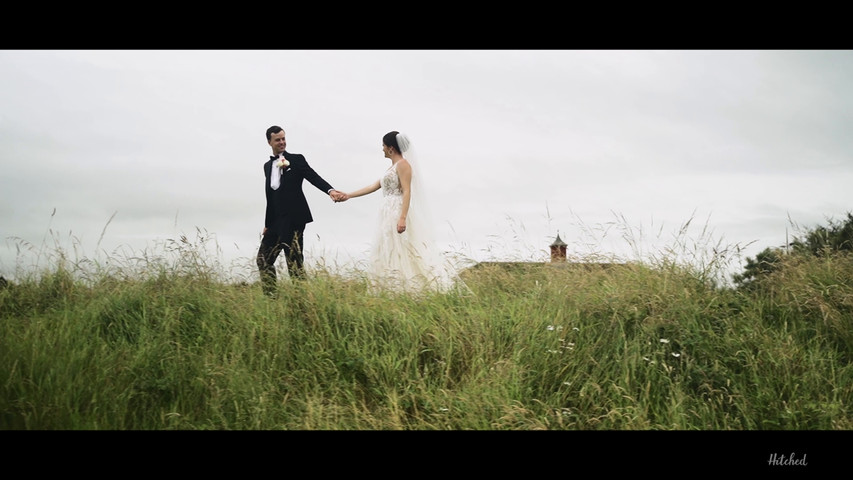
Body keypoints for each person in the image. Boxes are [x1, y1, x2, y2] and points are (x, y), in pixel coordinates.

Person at [340, 131, 463, 294]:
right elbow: (373, 186)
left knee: (401, 248)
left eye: (383, 145)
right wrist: (348, 195)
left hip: (397, 210)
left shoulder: (404, 165)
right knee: (387, 247)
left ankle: (408, 288)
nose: (382, 149)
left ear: (391, 148)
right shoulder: (391, 167)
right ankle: (390, 287)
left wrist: (402, 218)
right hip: (387, 211)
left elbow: (407, 191)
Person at [257, 125, 345, 296]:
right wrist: (267, 224)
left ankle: (303, 303)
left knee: (294, 264)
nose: (282, 142)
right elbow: (271, 197)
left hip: (294, 219)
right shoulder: (267, 166)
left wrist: (330, 191)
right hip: (275, 221)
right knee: (263, 260)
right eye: (277, 140)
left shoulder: (296, 159)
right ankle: (272, 299)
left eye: (283, 138)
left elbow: (313, 176)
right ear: (269, 142)